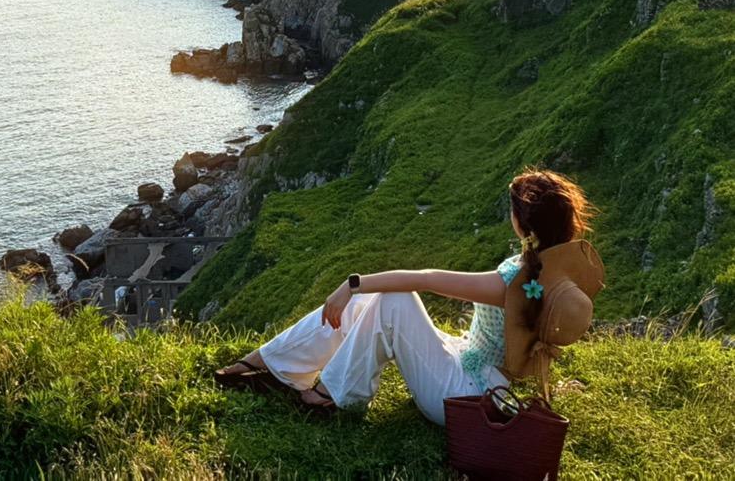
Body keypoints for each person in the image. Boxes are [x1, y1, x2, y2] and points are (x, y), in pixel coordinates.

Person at [215, 167, 602, 421]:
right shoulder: (554, 276)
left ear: (522, 223)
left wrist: (351, 284)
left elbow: (427, 279)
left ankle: (331, 395)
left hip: (464, 394)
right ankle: (269, 363)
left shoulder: (512, 280)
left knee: (393, 299)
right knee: (374, 300)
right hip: (476, 375)